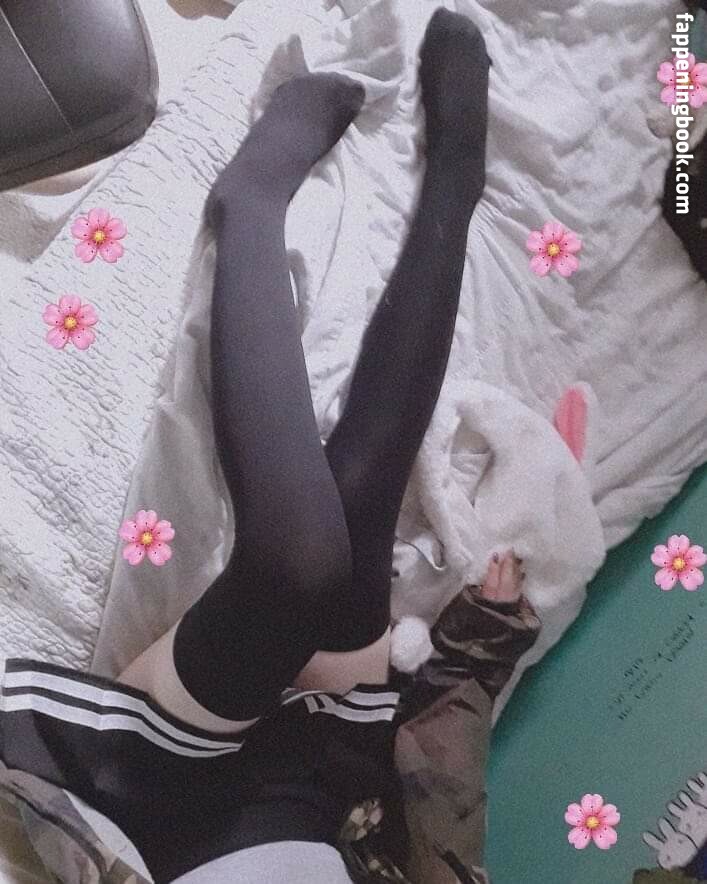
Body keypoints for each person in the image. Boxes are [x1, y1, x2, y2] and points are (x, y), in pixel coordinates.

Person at [0, 9, 540, 883]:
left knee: (298, 570)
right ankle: (454, 179)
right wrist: (480, 647)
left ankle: (251, 202)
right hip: (323, 785)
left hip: (169, 805)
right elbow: (444, 846)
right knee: (360, 493)